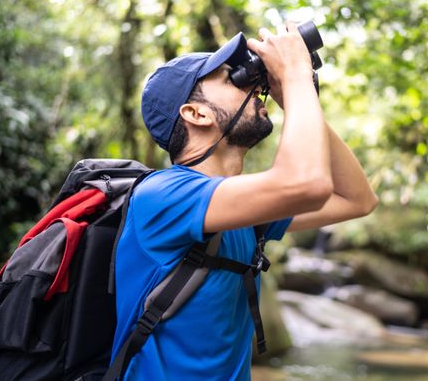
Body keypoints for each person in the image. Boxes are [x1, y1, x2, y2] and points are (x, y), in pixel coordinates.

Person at [110, 21, 378, 380]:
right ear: (196, 113)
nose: (253, 85)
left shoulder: (241, 211)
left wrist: (291, 97)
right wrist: (297, 76)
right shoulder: (164, 196)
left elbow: (357, 199)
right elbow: (307, 184)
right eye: (230, 78)